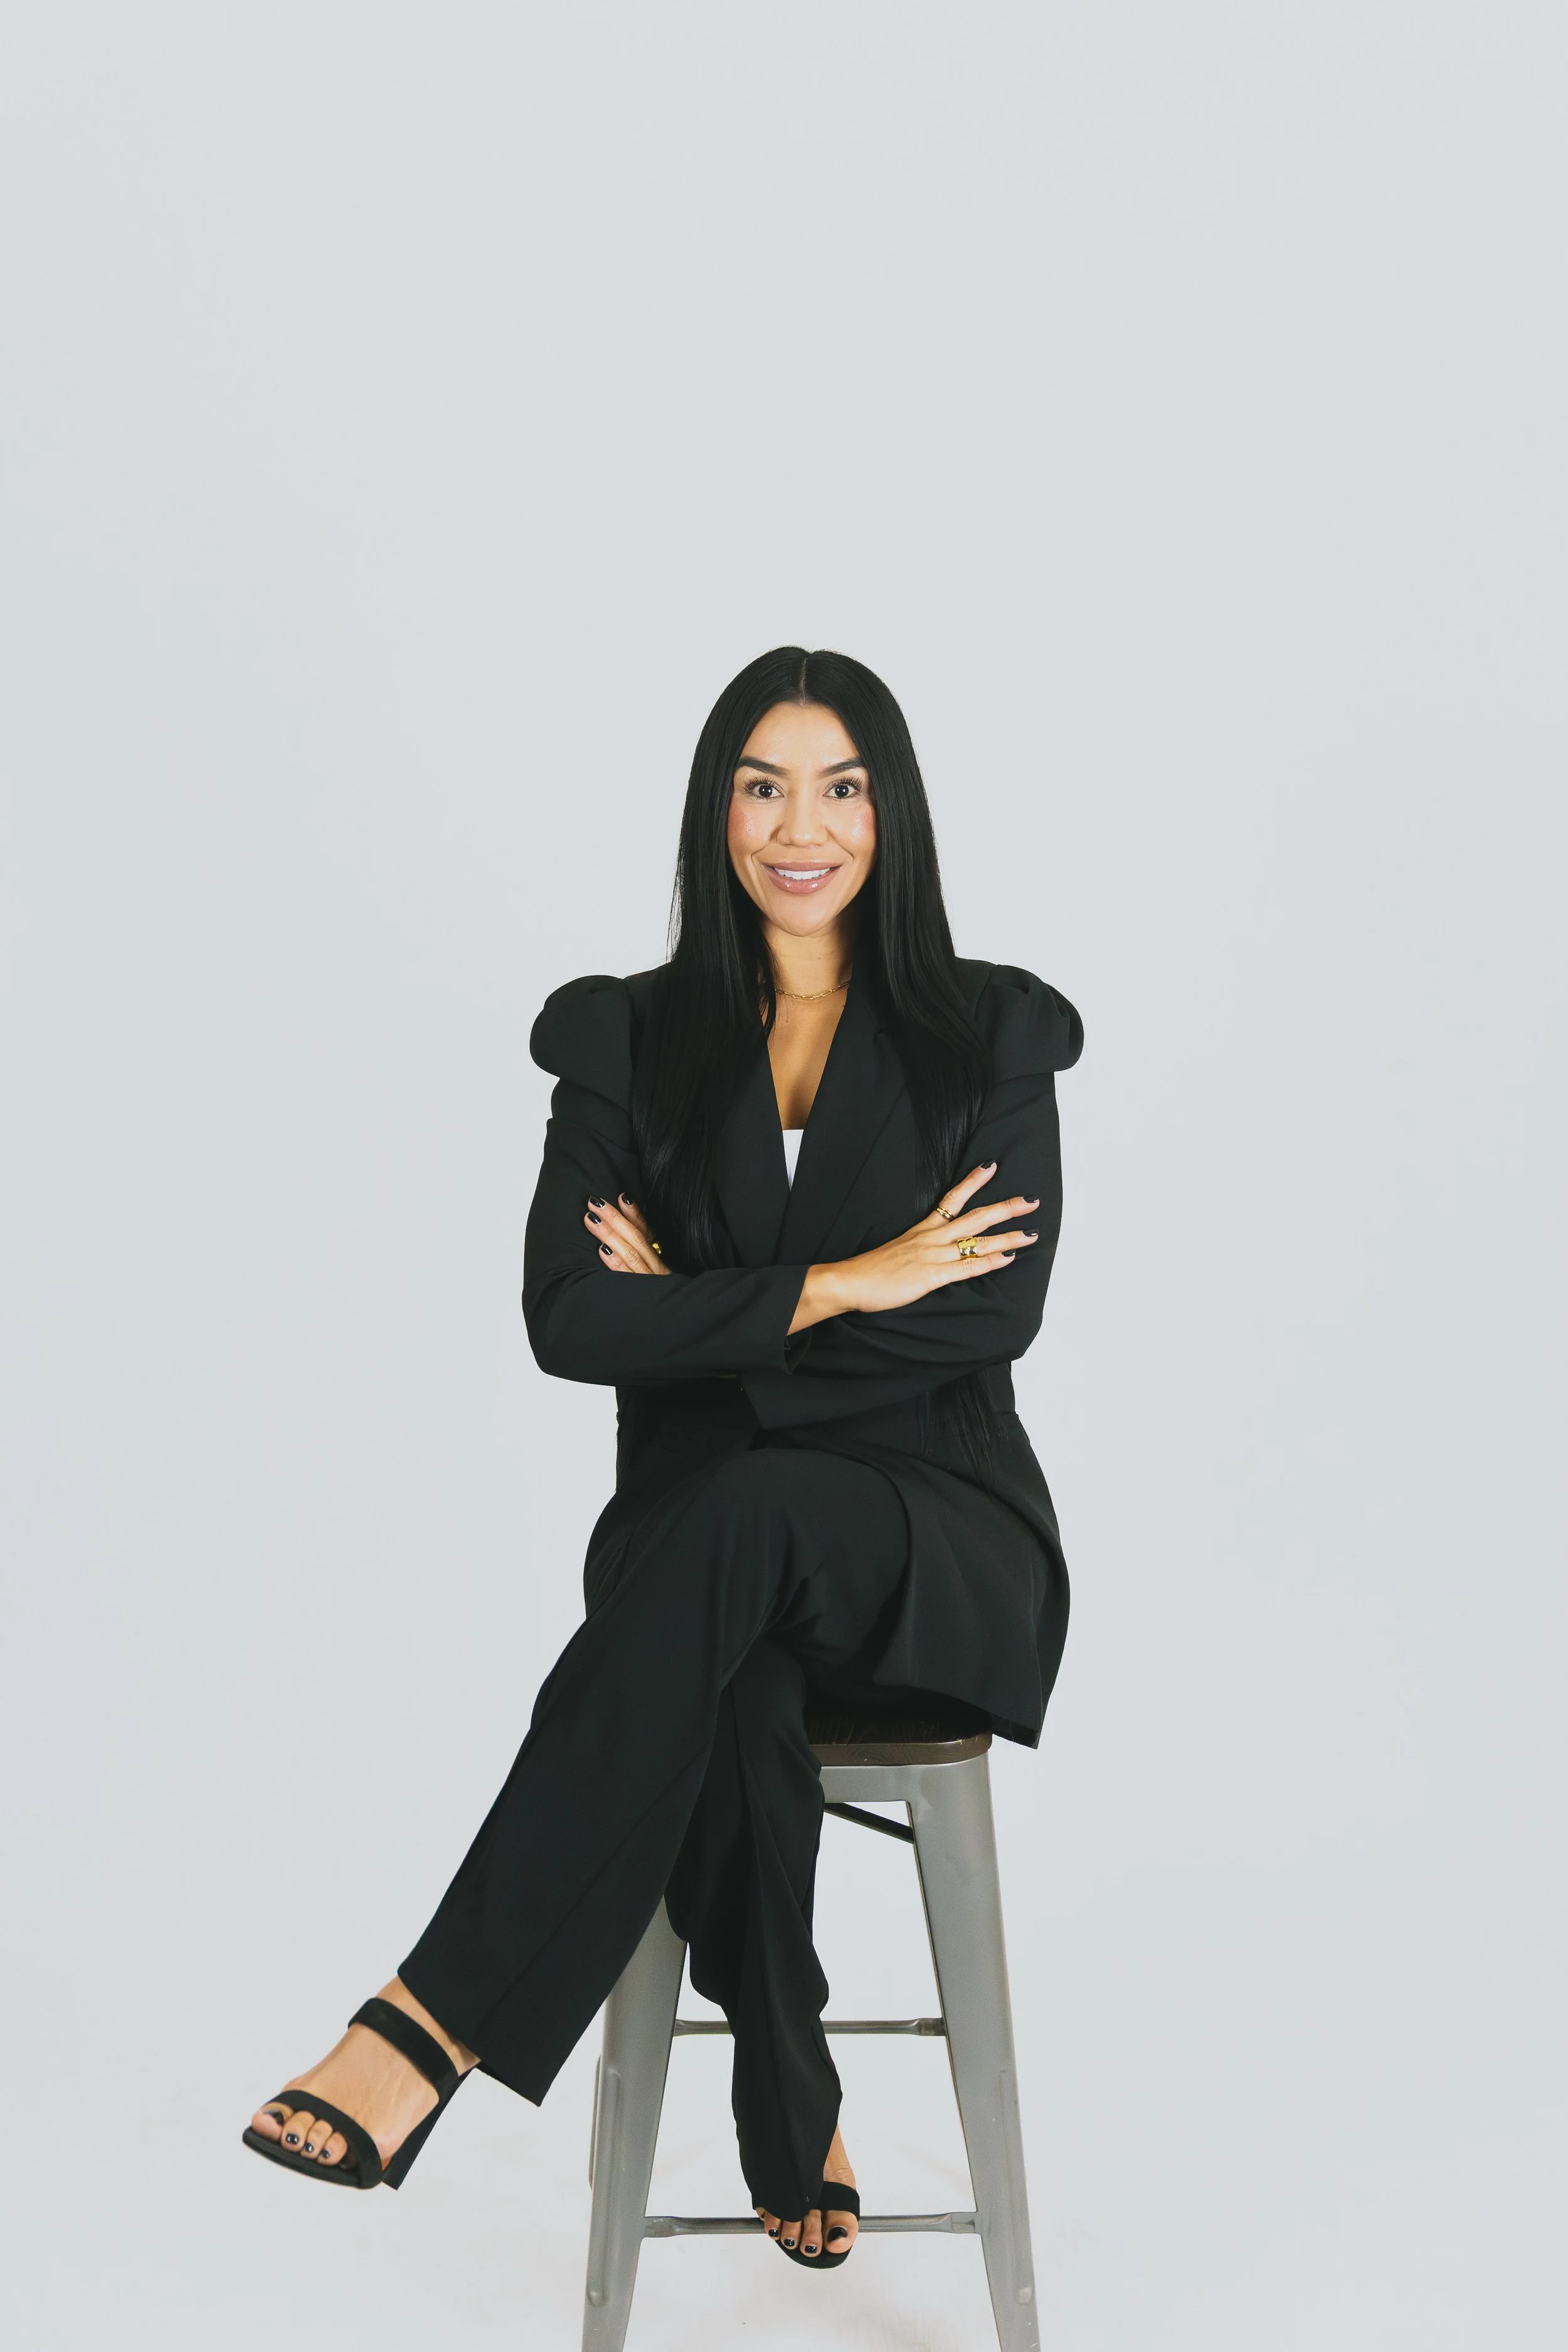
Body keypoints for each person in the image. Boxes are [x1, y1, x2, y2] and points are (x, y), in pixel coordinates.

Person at [243, 645, 1083, 2270]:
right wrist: (844, 1283)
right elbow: (567, 1319)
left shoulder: (985, 1034)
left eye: (839, 784)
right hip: (702, 1551)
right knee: (734, 1678)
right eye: (760, 782)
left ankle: (427, 2019)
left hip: (936, 1543)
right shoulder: (627, 1040)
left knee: (745, 1517)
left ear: (891, 812)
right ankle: (791, 2096)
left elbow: (985, 1323)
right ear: (712, 813)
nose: (800, 823)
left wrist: (694, 1315)